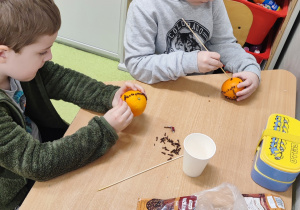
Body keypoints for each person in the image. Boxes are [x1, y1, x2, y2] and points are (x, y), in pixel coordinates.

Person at [0, 0, 145, 209]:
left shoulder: (18, 68)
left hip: (39, 152)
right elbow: (35, 163)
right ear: (3, 53)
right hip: (19, 193)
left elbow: (64, 80)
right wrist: (105, 129)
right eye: (42, 52)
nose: (49, 57)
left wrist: (109, 96)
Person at [124, 0, 261, 101]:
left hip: (202, 89)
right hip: (160, 86)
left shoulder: (213, 2)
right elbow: (137, 64)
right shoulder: (143, 6)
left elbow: (223, 43)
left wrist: (249, 68)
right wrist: (190, 61)